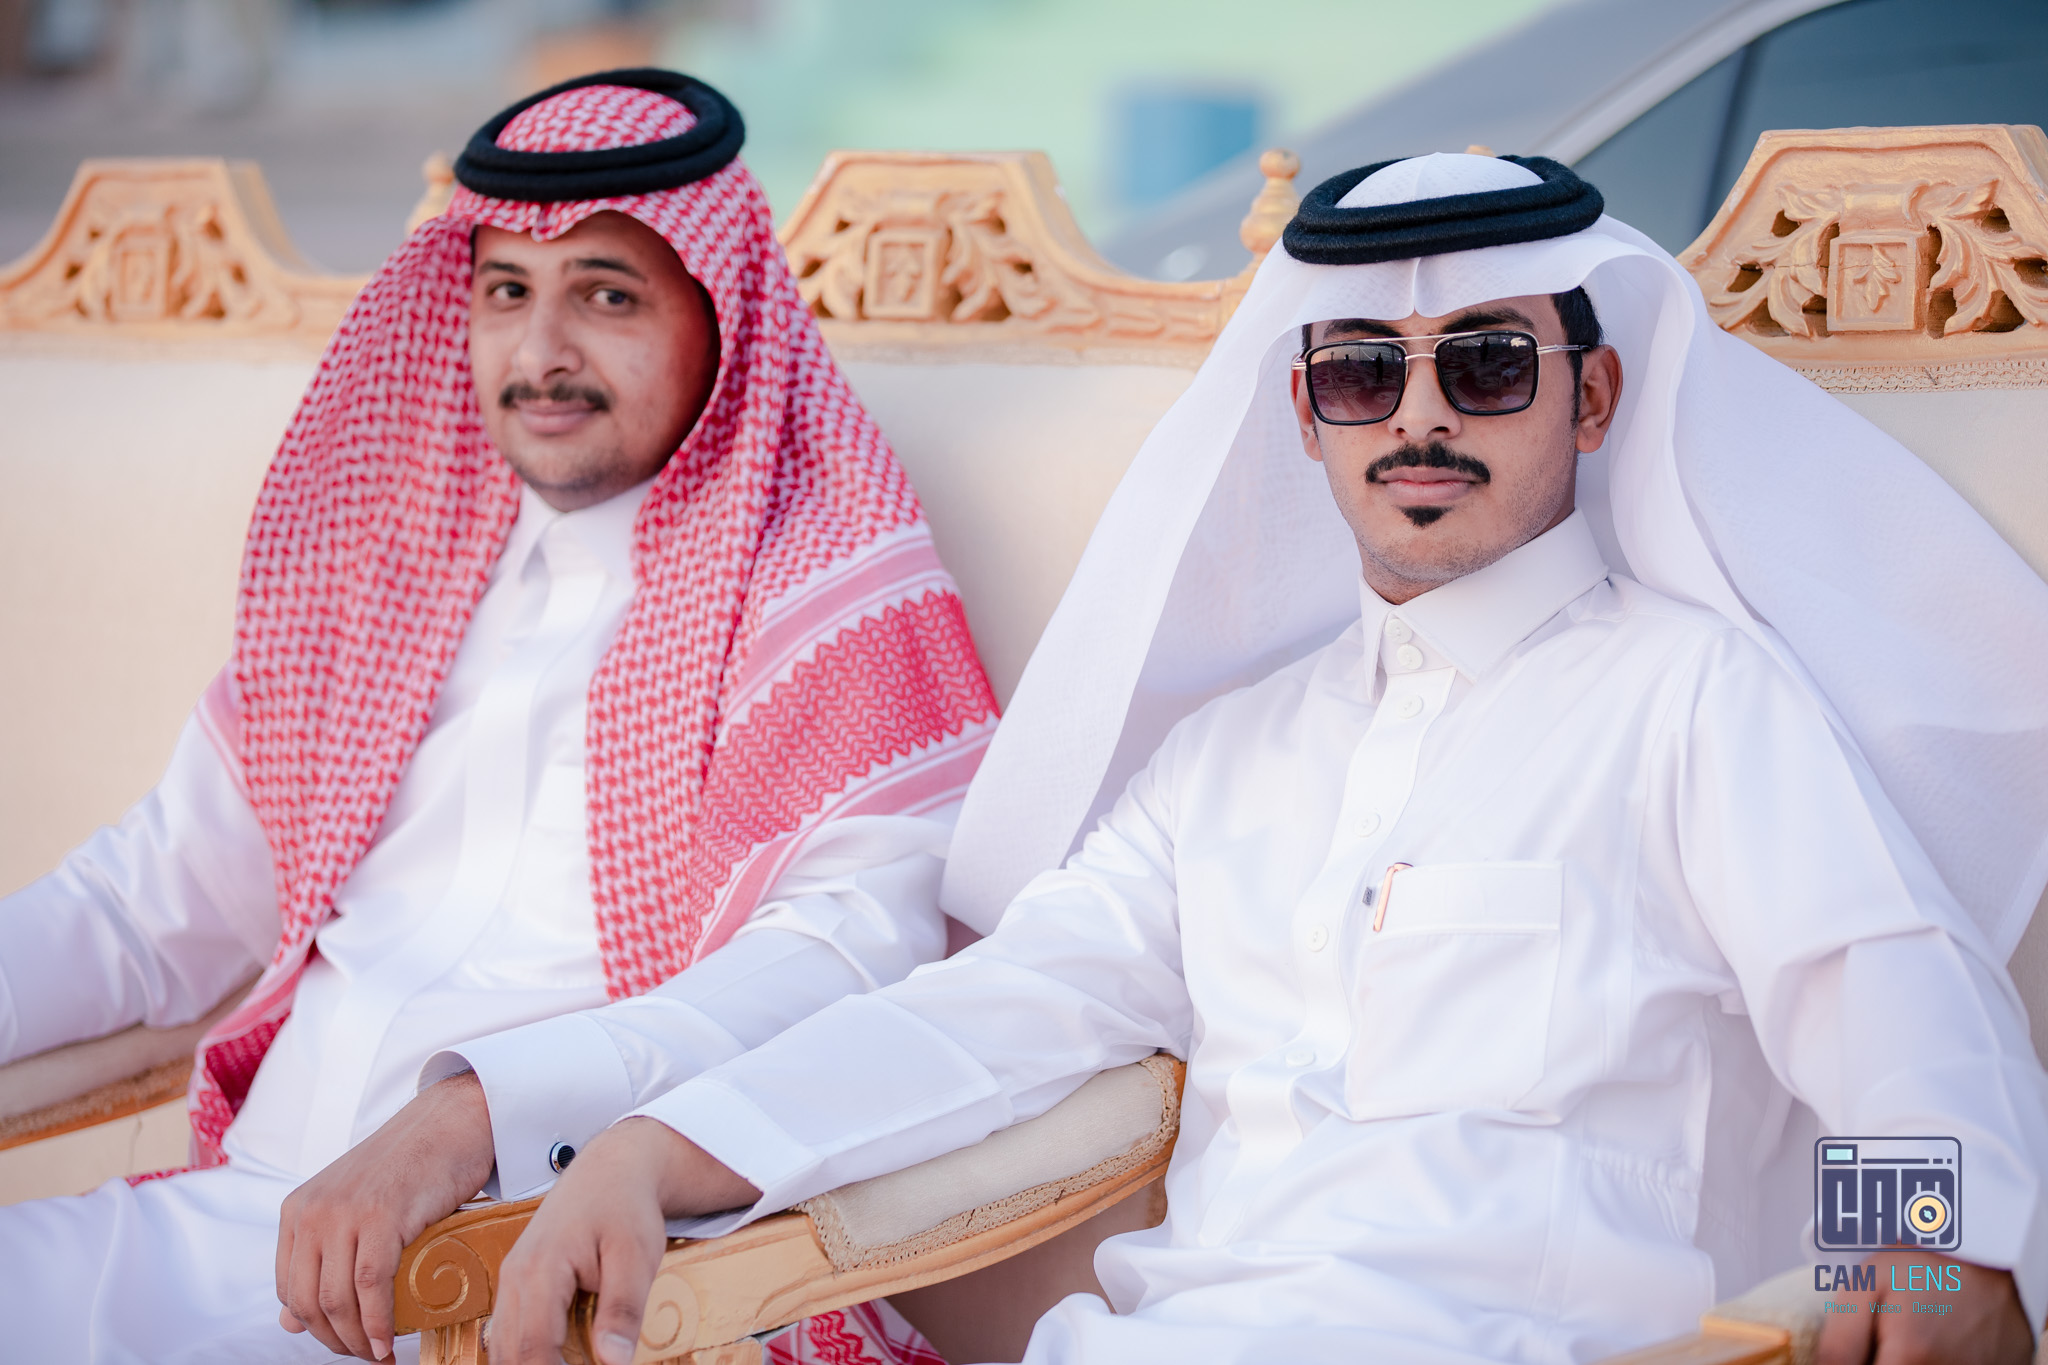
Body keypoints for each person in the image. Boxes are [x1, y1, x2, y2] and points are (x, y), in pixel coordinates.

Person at [483, 153, 2048, 1365]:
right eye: (1364, 371)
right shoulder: (1224, 759)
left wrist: (1942, 1247)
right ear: (1306, 416)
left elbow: (1892, 999)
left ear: (1596, 395)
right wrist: (663, 1146)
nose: (1419, 419)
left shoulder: (1693, 697)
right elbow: (988, 1018)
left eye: (1486, 365)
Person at [0, 70, 995, 1365]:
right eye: (507, 292)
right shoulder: (386, 573)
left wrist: (481, 1112)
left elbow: (850, 955)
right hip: (236, 1223)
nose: (540, 355)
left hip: (536, 1276)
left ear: (721, 311)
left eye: (608, 295)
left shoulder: (825, 584)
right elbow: (147, 907)